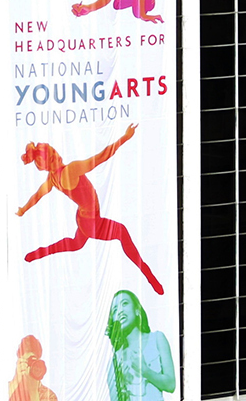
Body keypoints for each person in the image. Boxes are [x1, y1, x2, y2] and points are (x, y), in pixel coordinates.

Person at [16, 126, 164, 294]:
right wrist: (125, 137)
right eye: (54, 152)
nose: (58, 153)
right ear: (52, 159)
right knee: (121, 232)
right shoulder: (71, 170)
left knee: (75, 244)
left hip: (83, 217)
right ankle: (149, 275)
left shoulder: (53, 179)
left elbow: (37, 195)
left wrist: (23, 210)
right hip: (90, 221)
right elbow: (101, 157)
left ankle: (37, 254)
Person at [105, 289, 177, 401]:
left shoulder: (157, 338)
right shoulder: (115, 360)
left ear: (137, 310)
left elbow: (171, 385)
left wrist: (145, 371)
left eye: (125, 304)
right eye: (115, 310)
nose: (120, 311)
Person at [9, 334, 61, 401]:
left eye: (34, 362)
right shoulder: (11, 391)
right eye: (27, 362)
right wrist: (16, 380)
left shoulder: (49, 397)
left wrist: (33, 392)